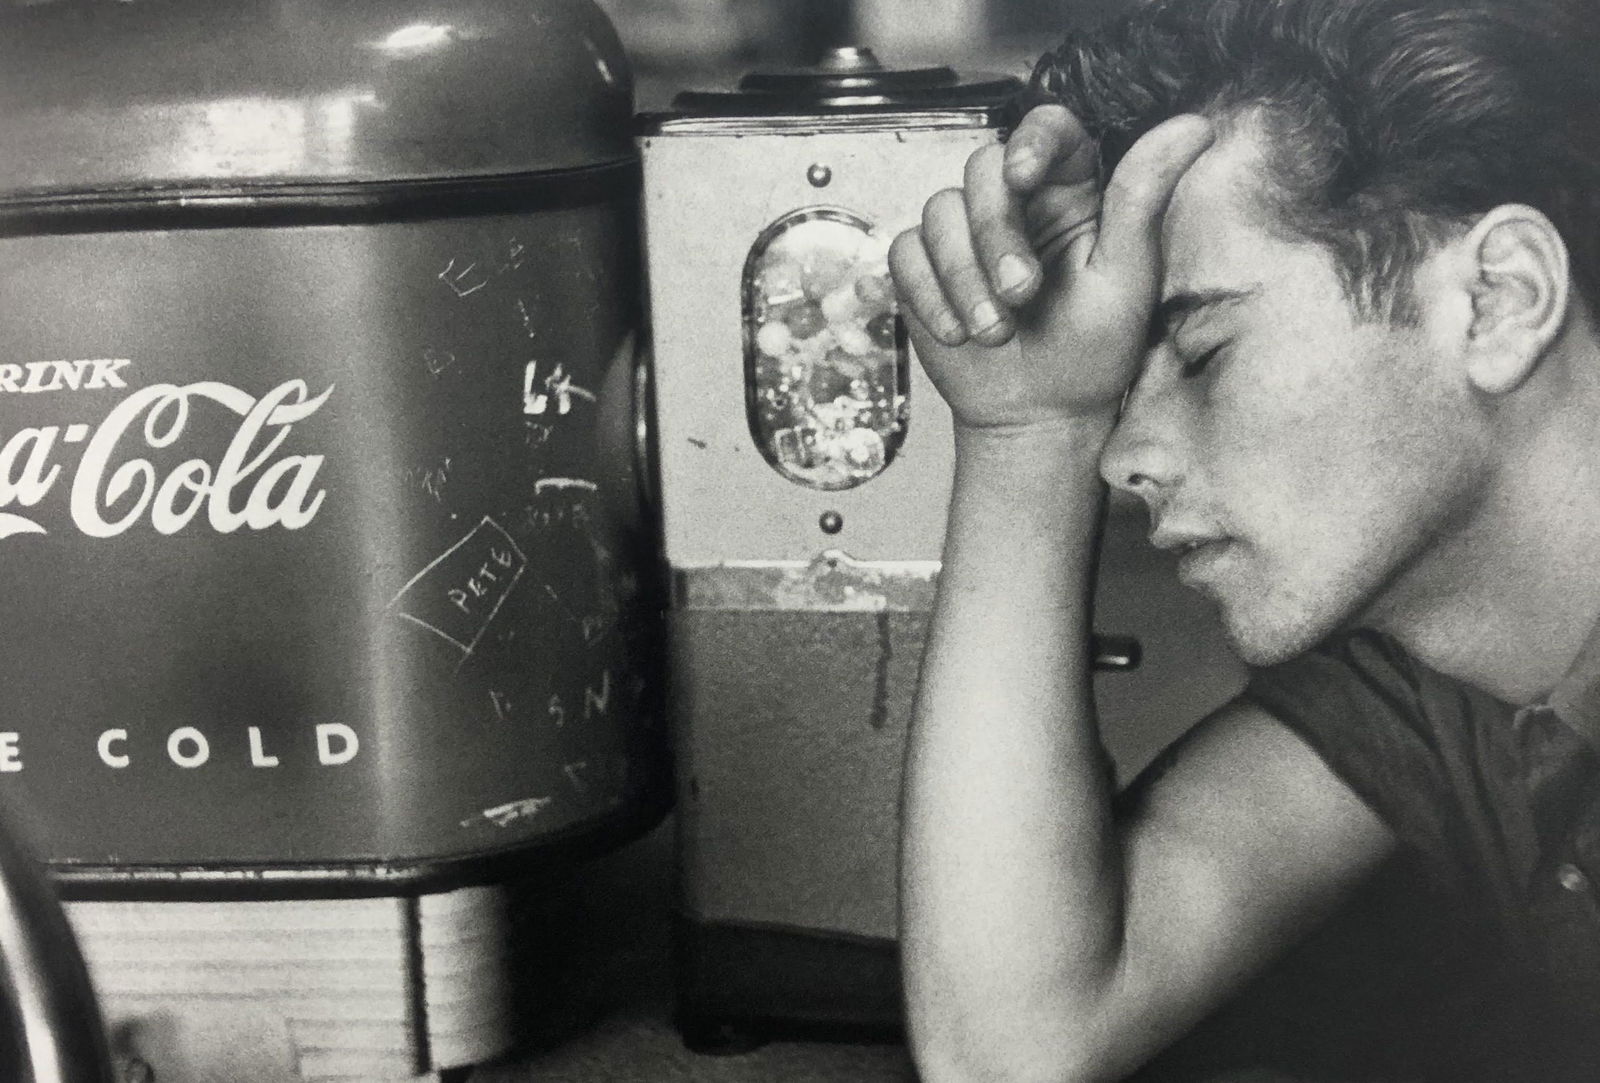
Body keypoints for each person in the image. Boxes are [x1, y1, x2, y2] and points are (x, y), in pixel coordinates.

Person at [888, 0, 1600, 1079]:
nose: (1124, 459)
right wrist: (1027, 429)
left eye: (1204, 352)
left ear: (1499, 299)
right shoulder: (1438, 683)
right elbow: (1009, 1046)